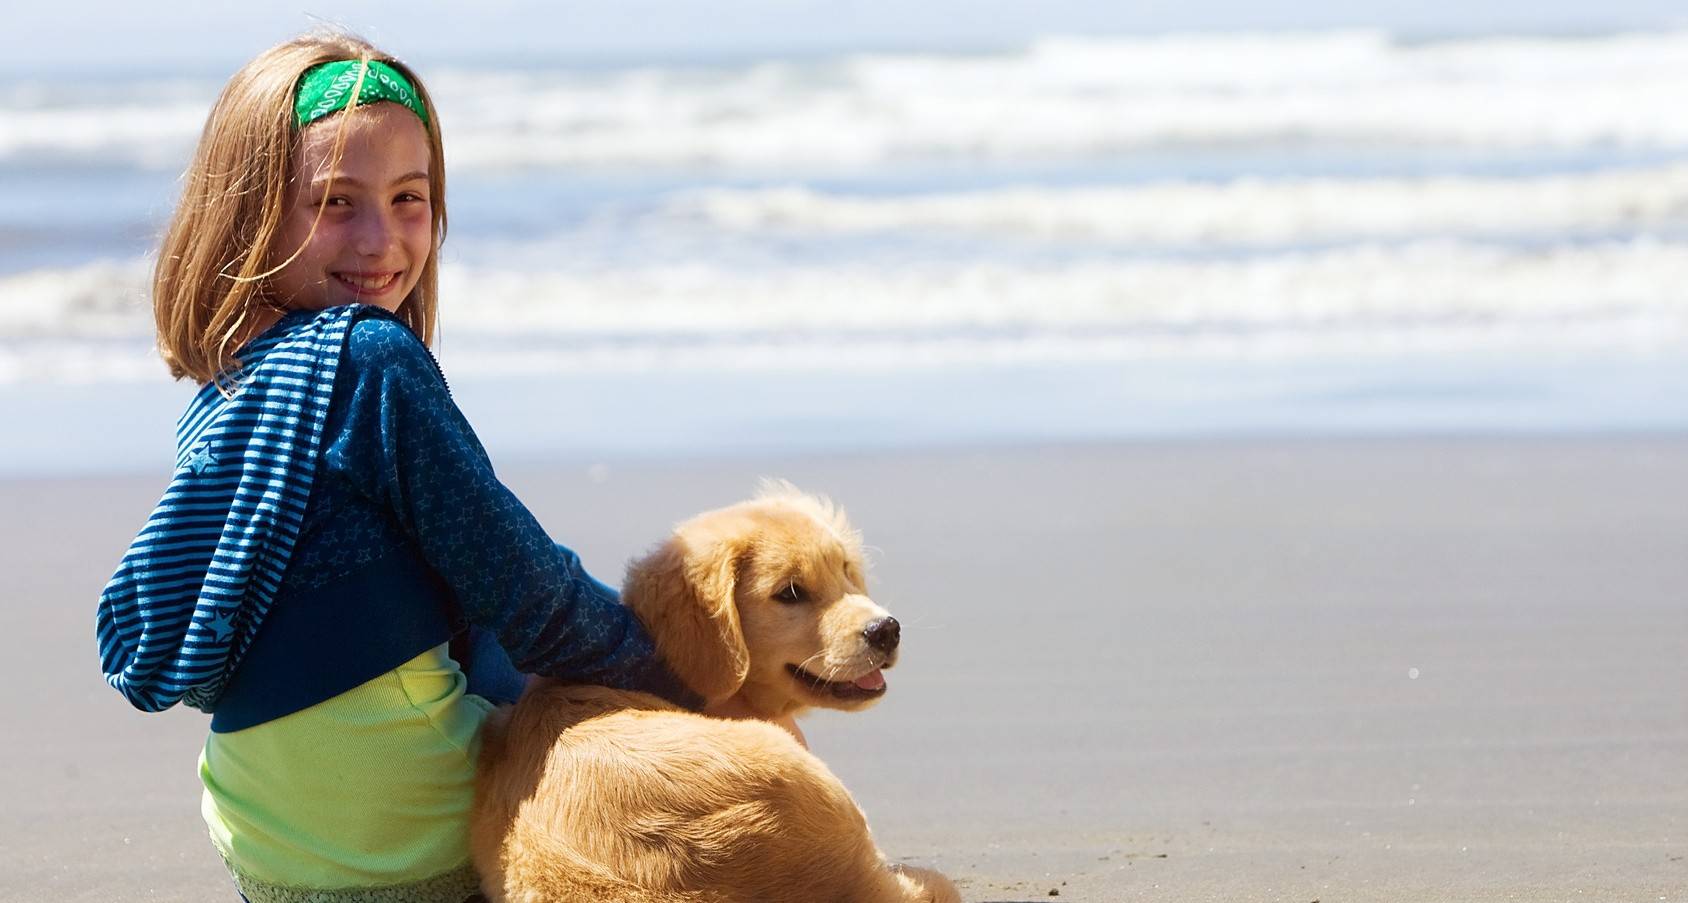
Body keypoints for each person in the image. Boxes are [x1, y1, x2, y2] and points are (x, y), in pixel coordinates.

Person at [95, 33, 700, 903]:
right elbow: (533, 596)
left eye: (409, 197)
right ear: (253, 212)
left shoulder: (227, 383)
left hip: (266, 843)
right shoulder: (372, 357)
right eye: (336, 202)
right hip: (413, 836)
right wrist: (691, 680)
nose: (381, 239)